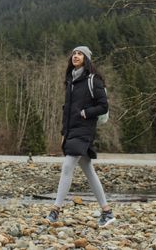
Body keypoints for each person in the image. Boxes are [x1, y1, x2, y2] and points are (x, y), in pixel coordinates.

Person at [46, 45, 115, 227]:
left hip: (84, 130)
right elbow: (66, 112)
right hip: (72, 131)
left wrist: (86, 112)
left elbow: (103, 106)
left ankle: (55, 210)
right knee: (88, 170)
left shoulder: (94, 79)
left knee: (67, 166)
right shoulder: (71, 81)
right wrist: (63, 133)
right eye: (74, 53)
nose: (76, 56)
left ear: (87, 58)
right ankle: (107, 212)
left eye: (80, 54)